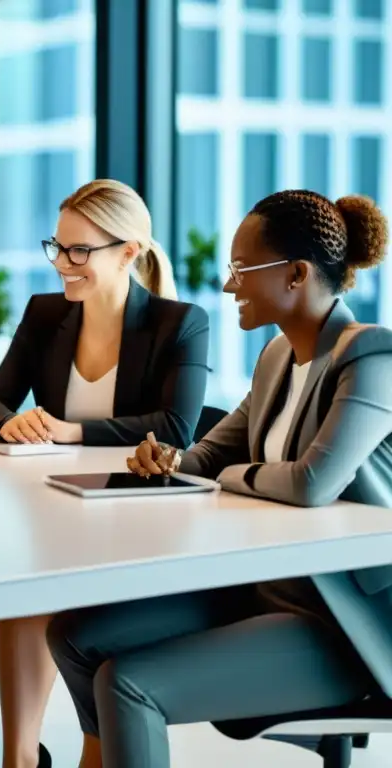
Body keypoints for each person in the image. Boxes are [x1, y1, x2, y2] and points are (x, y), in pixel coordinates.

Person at [48, 189, 392, 768]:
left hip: (340, 626)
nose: (229, 286)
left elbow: (313, 484)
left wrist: (235, 474)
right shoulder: (277, 358)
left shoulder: (372, 358)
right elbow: (206, 456)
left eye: (241, 269)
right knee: (75, 638)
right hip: (262, 591)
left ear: (296, 274)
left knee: (128, 684)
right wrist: (167, 460)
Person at [0, 179, 210, 768]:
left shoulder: (180, 322)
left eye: (81, 251)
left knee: (81, 608)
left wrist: (70, 429)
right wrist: (13, 424)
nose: (63, 265)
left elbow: (176, 427)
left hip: (137, 511)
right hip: (53, 501)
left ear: (128, 252)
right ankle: (19, 757)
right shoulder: (46, 313)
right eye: (58, 247)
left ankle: (97, 751)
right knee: (20, 589)